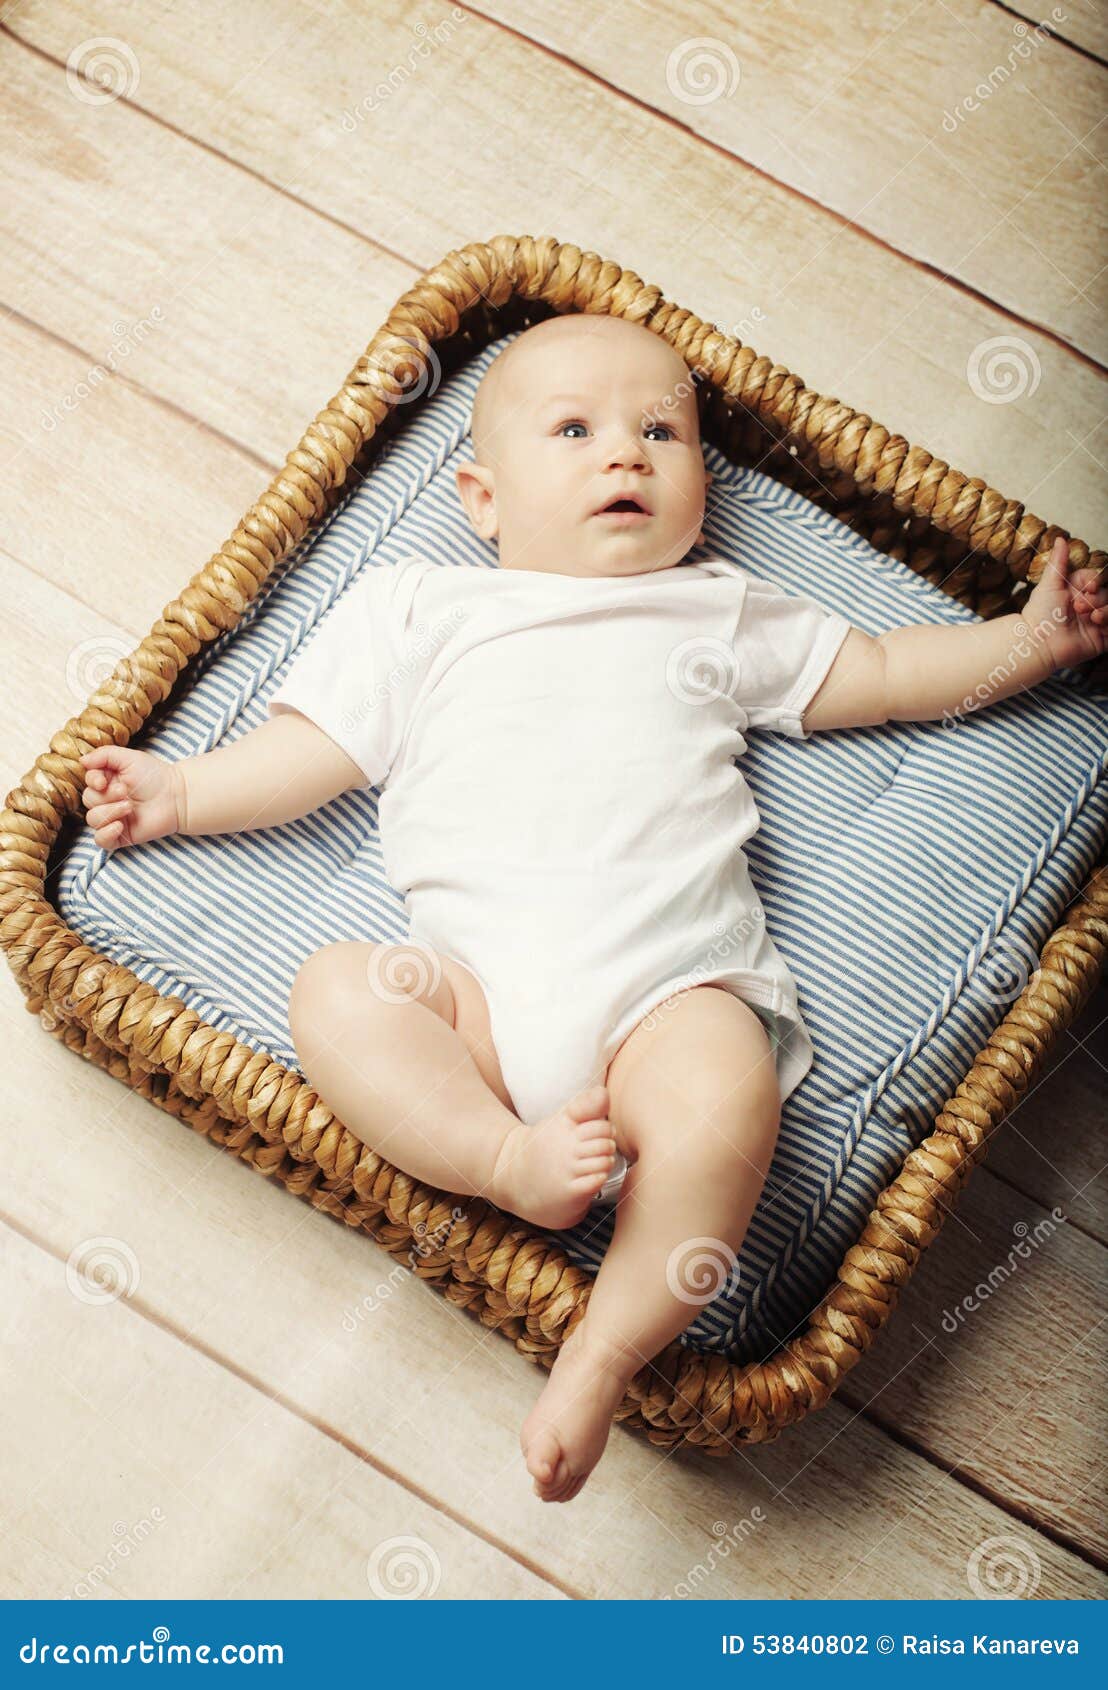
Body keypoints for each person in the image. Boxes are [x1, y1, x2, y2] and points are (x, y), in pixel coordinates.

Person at [80, 312, 1108, 1505]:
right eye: (574, 430)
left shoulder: (714, 608)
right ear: (481, 497)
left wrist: (1026, 645)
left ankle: (606, 1348)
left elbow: (875, 677)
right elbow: (311, 750)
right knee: (337, 993)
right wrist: (184, 789)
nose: (625, 455)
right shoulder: (421, 610)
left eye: (660, 432)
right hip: (465, 996)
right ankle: (500, 1156)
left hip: (667, 991)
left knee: (724, 1104)